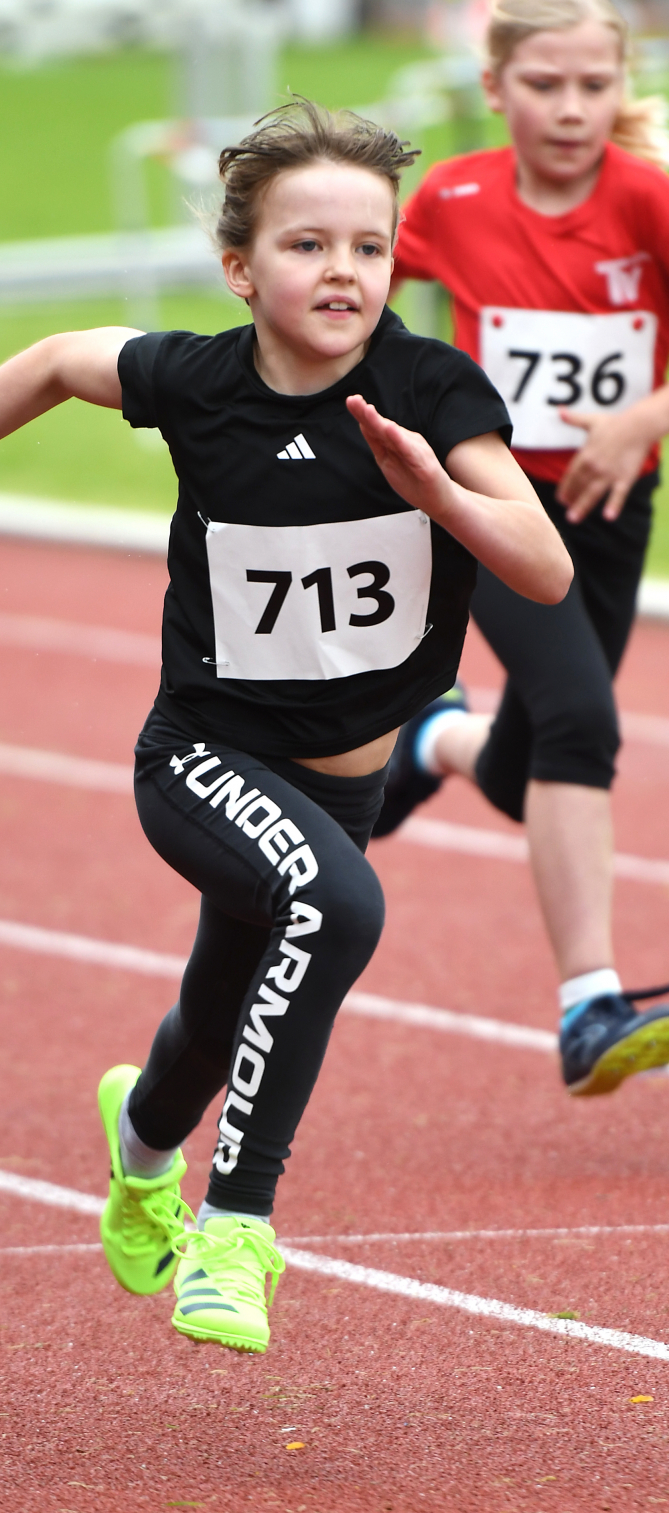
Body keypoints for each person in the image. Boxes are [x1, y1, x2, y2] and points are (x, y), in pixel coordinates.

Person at [0, 102, 570, 1353]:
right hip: (201, 757)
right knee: (338, 907)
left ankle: (143, 1142)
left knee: (221, 1012)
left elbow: (543, 568)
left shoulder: (431, 388)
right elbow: (54, 361)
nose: (343, 271)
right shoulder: (198, 382)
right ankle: (235, 1225)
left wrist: (438, 492)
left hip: (345, 782)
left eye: (369, 247)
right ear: (240, 269)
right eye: (307, 246)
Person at [382, 0, 669, 1098]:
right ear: (496, 89)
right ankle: (589, 1004)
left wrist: (644, 420)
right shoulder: (455, 197)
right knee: (583, 724)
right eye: (545, 85)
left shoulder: (647, 199)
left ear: (621, 85)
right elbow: (353, 300)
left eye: (595, 86)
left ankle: (435, 741)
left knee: (538, 758)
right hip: (491, 505)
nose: (572, 109)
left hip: (611, 508)